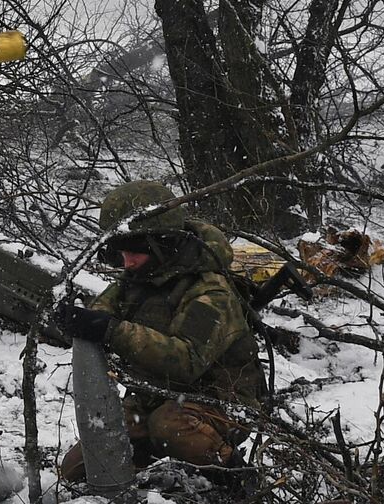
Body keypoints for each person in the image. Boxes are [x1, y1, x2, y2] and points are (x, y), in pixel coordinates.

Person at [52, 180, 262, 486]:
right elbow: (101, 313)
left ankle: (236, 477)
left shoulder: (210, 290)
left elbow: (186, 360)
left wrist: (111, 330)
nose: (127, 262)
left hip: (221, 402)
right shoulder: (141, 275)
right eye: (121, 252)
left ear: (163, 244)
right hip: (154, 397)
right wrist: (75, 318)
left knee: (168, 426)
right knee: (79, 468)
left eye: (136, 252)